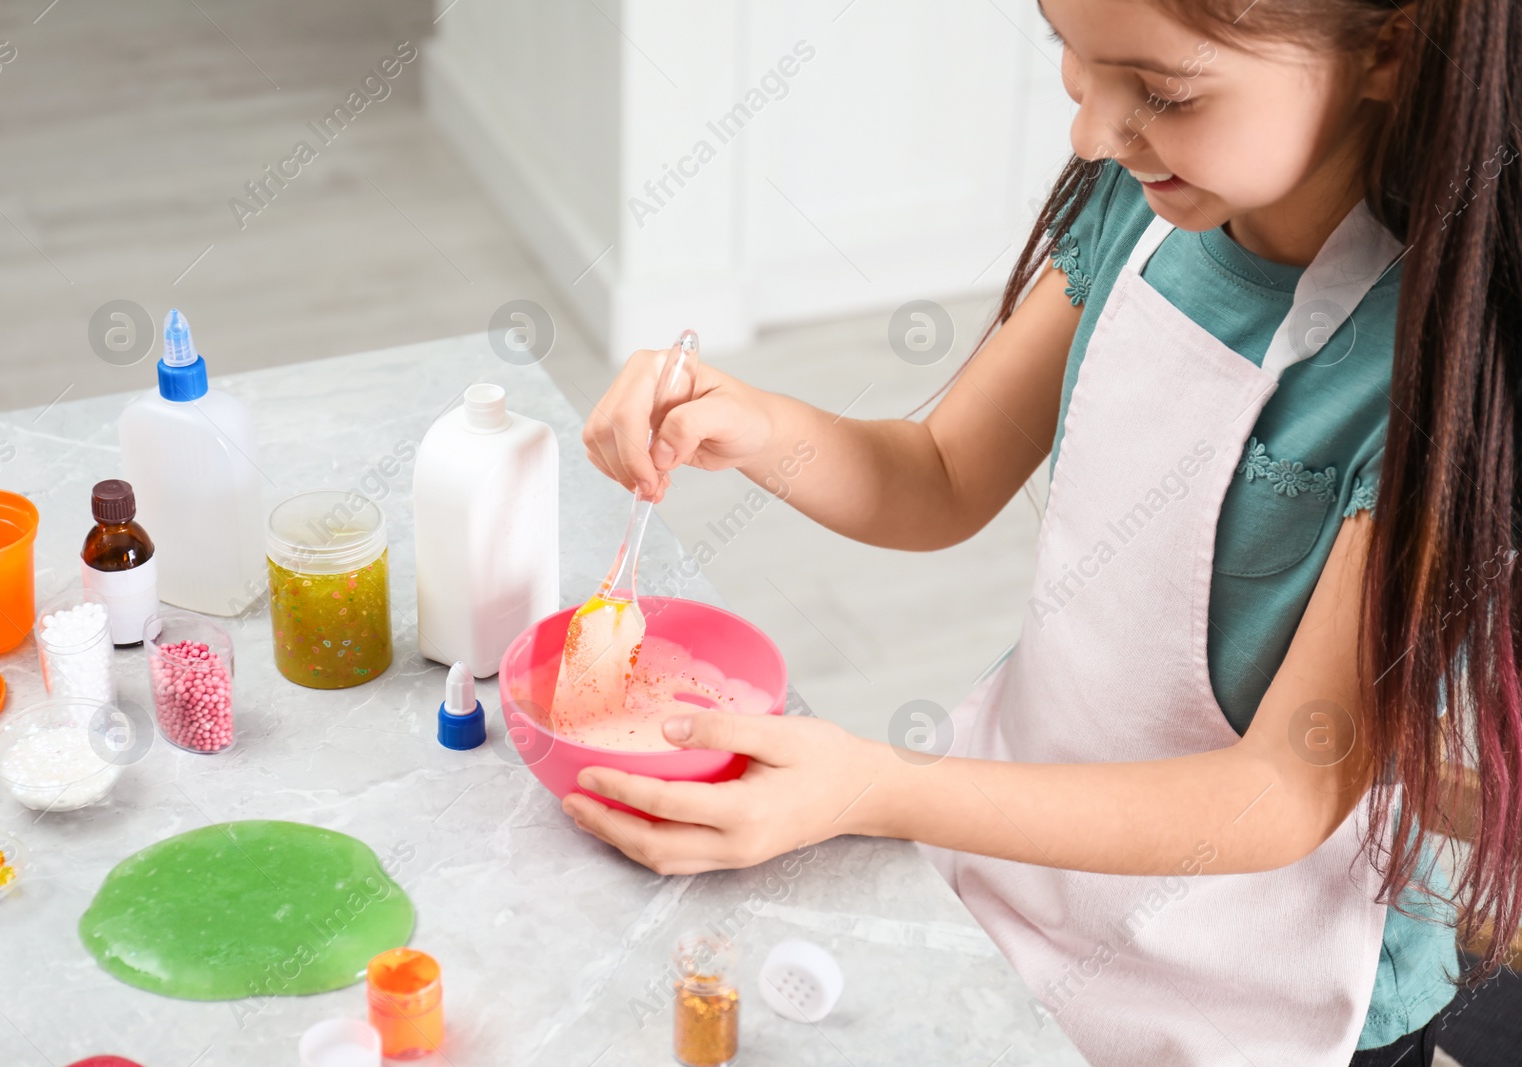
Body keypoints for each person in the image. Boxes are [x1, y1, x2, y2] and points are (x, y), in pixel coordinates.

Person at [565, 1, 1521, 1063]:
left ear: (1386, 48)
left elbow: (1283, 788)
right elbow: (937, 476)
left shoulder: (1433, 373)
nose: (1089, 133)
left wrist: (878, 788)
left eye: (1162, 91)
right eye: (1068, 52)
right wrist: (751, 424)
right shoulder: (1144, 207)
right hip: (1025, 861)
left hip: (1268, 977)